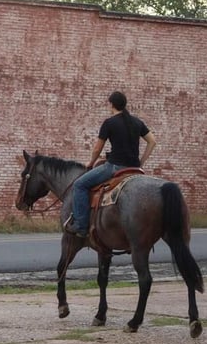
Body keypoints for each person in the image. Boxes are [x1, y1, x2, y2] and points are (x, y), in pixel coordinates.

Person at [65, 91, 157, 238]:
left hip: (115, 167)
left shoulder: (109, 123)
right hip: (134, 168)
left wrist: (91, 163)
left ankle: (81, 225)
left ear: (112, 105)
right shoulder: (137, 122)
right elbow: (152, 141)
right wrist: (141, 162)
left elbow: (97, 149)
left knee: (79, 185)